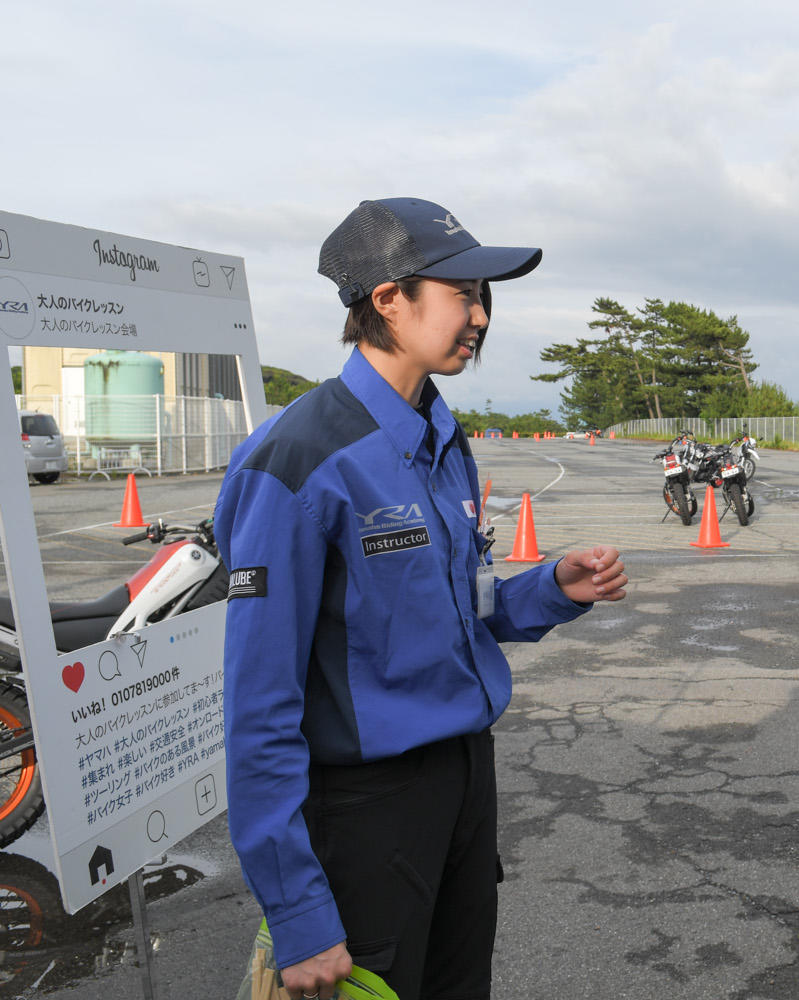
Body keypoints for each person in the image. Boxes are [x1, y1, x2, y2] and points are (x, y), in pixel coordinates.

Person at [215, 197, 629, 1000]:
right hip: (368, 810)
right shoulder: (300, 459)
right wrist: (298, 909)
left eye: (483, 297)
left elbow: (454, 613)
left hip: (463, 784)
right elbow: (258, 703)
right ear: (387, 300)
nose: (478, 316)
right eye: (460, 293)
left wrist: (551, 588)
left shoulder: (439, 435)